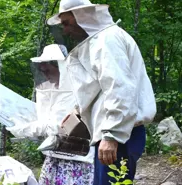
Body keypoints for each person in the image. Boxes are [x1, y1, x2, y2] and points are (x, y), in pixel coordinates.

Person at [46, 0, 157, 184]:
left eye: (66, 23)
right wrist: (77, 112)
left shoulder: (107, 41)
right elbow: (99, 89)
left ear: (82, 17)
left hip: (121, 134)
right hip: (119, 132)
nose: (64, 30)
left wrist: (111, 135)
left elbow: (120, 89)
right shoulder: (100, 41)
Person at [7, 44, 95, 185]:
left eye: (48, 70)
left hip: (76, 161)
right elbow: (45, 119)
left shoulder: (76, 91)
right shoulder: (52, 90)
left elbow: (58, 127)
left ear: (61, 67)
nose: (45, 74)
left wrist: (24, 129)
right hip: (53, 158)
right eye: (43, 70)